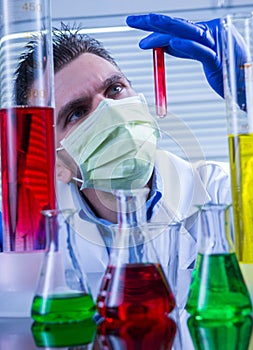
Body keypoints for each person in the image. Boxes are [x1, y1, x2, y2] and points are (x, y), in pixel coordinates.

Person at [14, 18, 232, 308]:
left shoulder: (223, 192)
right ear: (57, 165)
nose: (111, 113)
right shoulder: (30, 242)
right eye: (77, 113)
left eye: (115, 89)